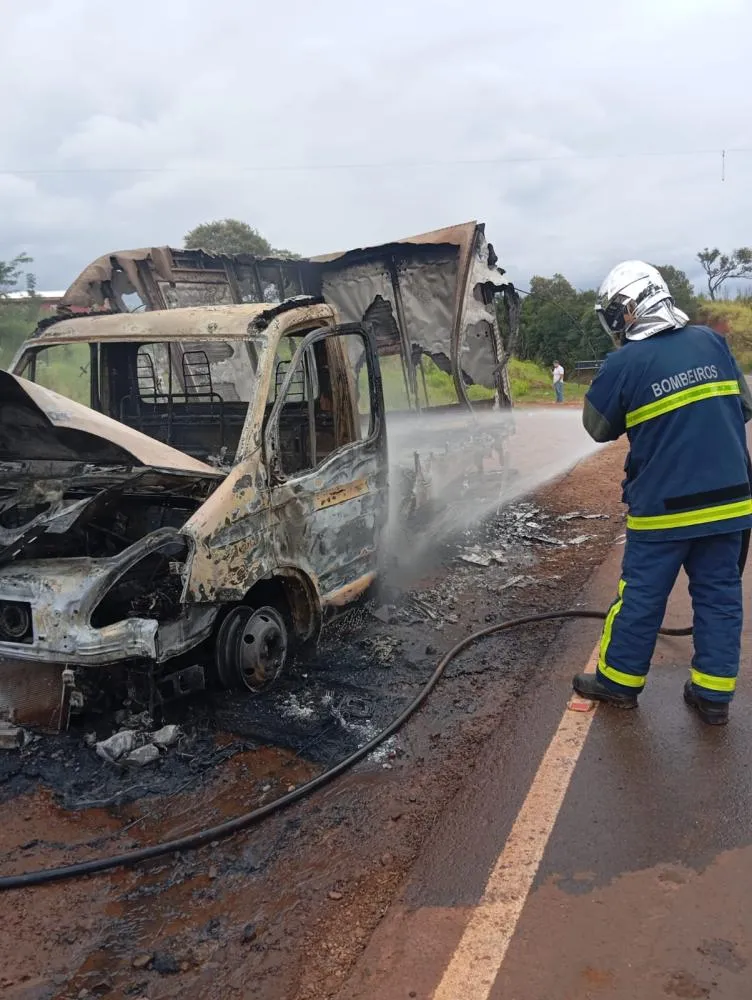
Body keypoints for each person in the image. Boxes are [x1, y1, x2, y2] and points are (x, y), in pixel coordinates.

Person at [572, 260, 752, 726]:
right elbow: (745, 408)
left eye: (616, 313)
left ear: (630, 308)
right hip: (731, 499)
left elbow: (597, 428)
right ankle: (713, 697)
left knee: (643, 598)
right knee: (719, 596)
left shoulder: (625, 362)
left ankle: (618, 684)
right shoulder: (712, 342)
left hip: (664, 509)